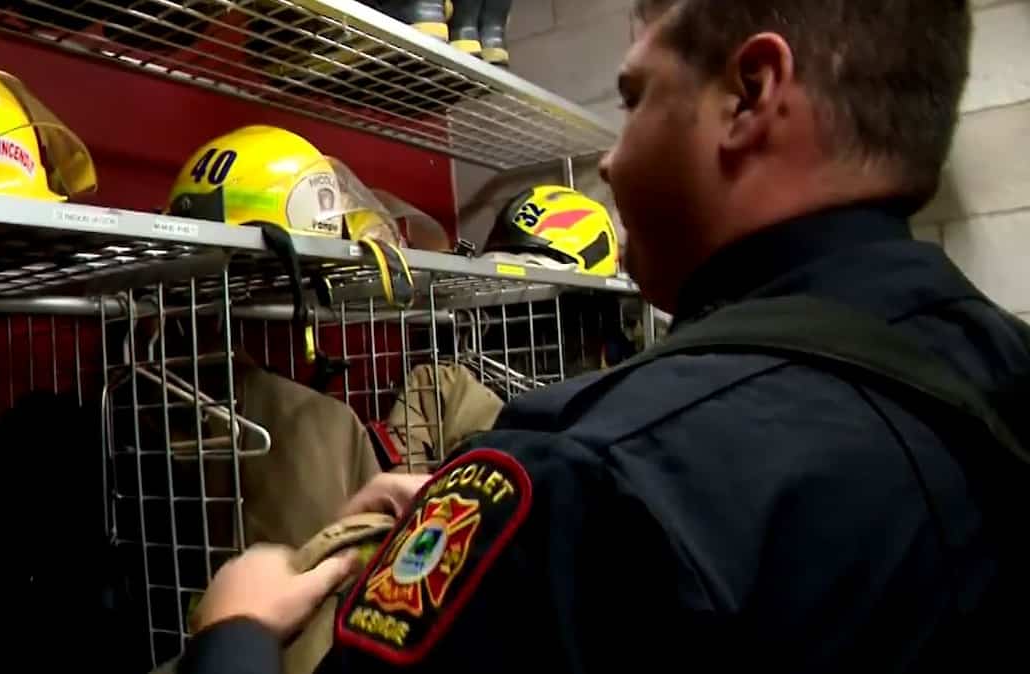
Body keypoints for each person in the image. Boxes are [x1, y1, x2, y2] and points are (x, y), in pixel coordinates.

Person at [181, 0, 1030, 672]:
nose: (614, 163)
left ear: (752, 93)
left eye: (636, 99)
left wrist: (239, 630)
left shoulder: (595, 469)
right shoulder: (1004, 368)